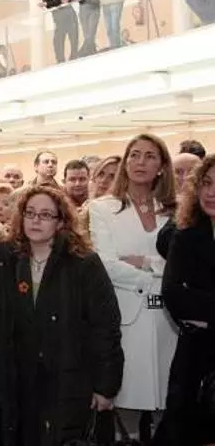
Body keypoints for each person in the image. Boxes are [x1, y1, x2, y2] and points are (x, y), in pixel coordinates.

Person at [0, 186, 123, 446]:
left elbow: (105, 327)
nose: (35, 220)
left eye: (46, 215)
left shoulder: (84, 263)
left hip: (69, 380)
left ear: (61, 222)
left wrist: (106, 387)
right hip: (18, 381)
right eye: (30, 213)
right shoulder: (4, 258)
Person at [88, 133, 178, 443]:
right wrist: (160, 274)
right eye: (134, 155)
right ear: (126, 162)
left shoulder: (175, 209)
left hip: (169, 320)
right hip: (126, 319)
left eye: (150, 156)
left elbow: (185, 263)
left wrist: (146, 263)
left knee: (168, 403)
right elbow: (106, 264)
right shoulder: (103, 208)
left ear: (162, 166)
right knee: (126, 406)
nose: (141, 162)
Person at [154, 155, 215, 445]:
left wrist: (204, 314)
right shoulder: (185, 234)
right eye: (206, 183)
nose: (211, 192)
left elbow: (189, 298)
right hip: (194, 356)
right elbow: (173, 294)